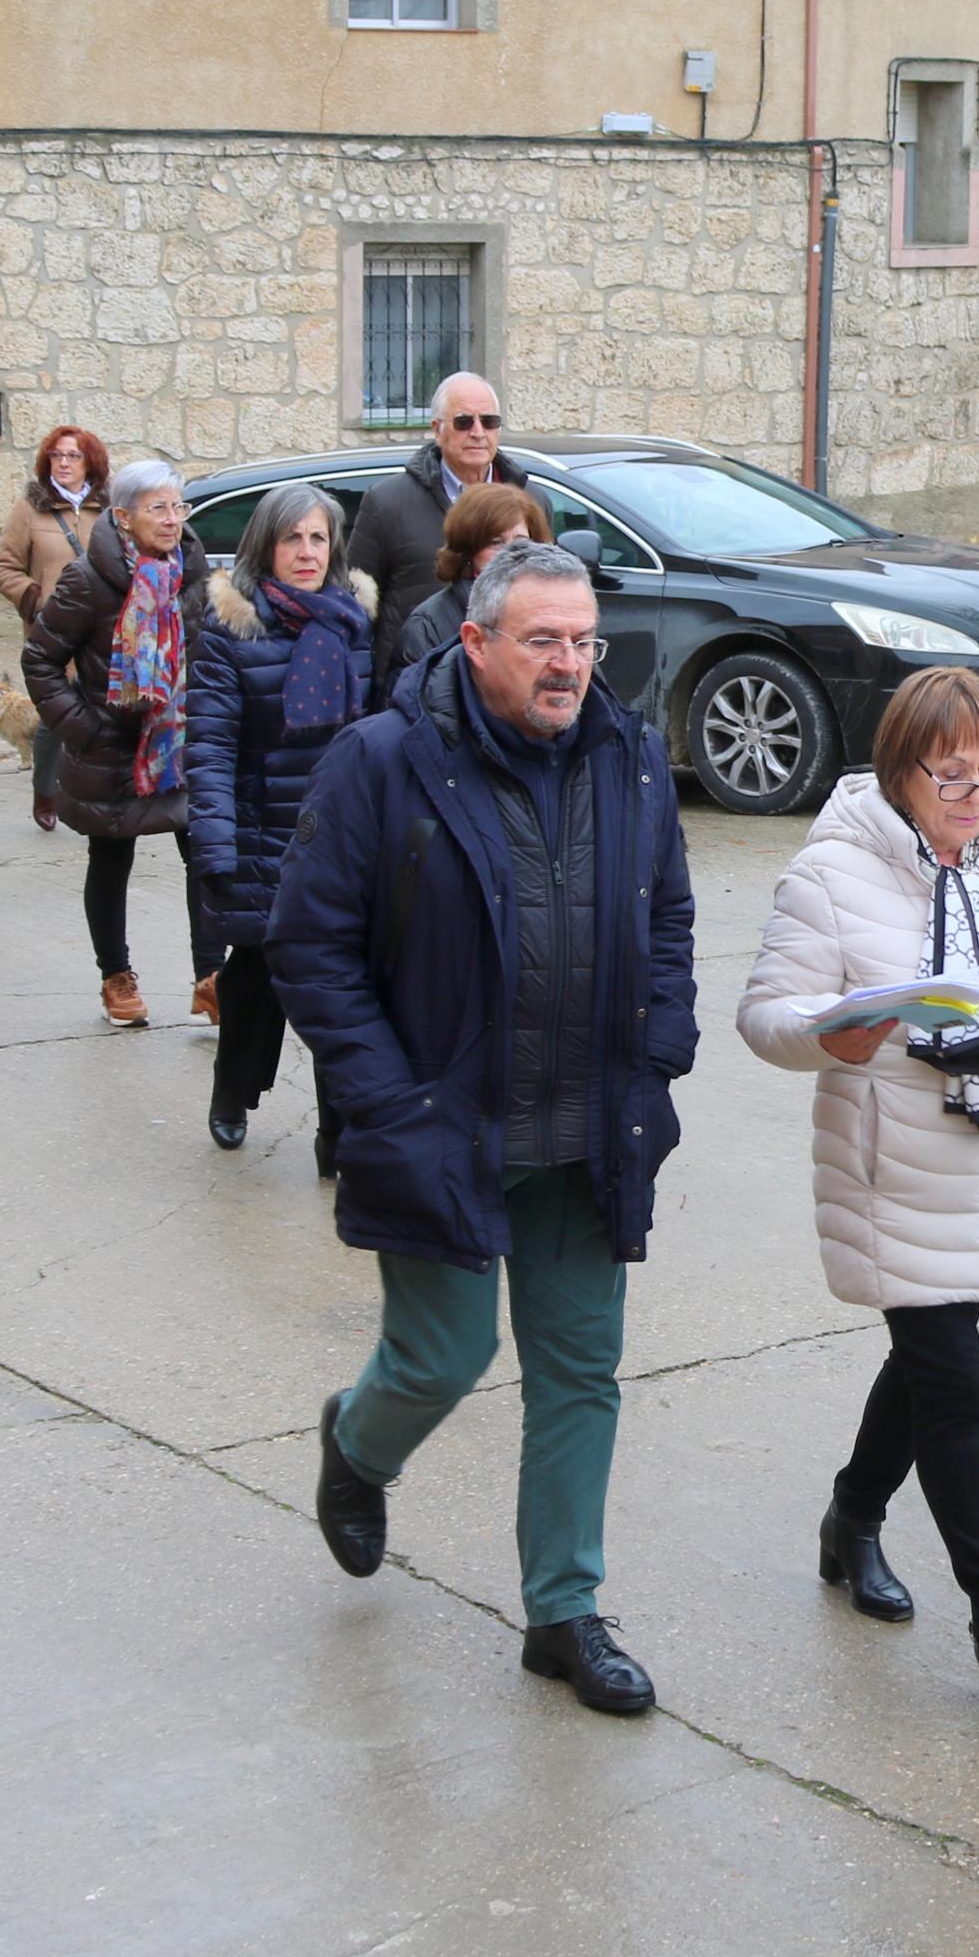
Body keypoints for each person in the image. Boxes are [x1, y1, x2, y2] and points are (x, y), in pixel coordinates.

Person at [273, 539, 699, 1719]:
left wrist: (660, 1045)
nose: (569, 664)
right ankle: (358, 1448)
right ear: (475, 643)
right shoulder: (384, 762)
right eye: (542, 641)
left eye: (583, 640)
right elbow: (308, 947)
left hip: (586, 1127)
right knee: (444, 1354)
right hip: (443, 1125)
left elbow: (666, 910)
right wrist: (390, 1102)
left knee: (580, 1370)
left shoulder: (629, 757)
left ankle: (563, 1611)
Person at [739, 667, 979, 1711]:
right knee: (951, 1381)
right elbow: (767, 1015)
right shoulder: (834, 870)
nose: (974, 798)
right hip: (893, 1156)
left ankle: (852, 1516)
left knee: (927, 1359)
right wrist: (828, 1031)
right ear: (903, 772)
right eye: (953, 777)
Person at [185, 482, 375, 1154]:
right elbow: (208, 744)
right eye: (291, 537)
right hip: (264, 831)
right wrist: (215, 848)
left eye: (317, 537)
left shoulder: (354, 620)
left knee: (342, 984)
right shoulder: (233, 629)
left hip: (343, 838)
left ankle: (337, 1131)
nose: (305, 551)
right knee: (258, 977)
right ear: (265, 545)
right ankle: (232, 1088)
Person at [24, 457, 221, 1028]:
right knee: (111, 858)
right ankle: (116, 978)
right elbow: (40, 660)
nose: (171, 520)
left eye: (178, 507)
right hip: (112, 746)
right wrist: (82, 727)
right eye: (157, 508)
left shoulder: (193, 574)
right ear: (122, 516)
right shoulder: (88, 580)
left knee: (204, 855)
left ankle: (210, 978)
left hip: (180, 742)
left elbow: (212, 654)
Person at [347, 371, 515, 683]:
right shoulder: (386, 503)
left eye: (489, 421)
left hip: (505, 683)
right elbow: (354, 610)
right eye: (464, 422)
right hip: (416, 685)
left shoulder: (529, 502)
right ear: (437, 430)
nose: (478, 432)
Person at [0, 424, 109, 833]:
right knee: (56, 718)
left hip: (101, 632)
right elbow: (4, 568)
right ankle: (45, 789)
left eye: (73, 456)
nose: (63, 463)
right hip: (53, 634)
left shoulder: (110, 508)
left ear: (89, 462)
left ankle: (92, 795)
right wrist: (35, 599)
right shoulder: (30, 508)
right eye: (56, 456)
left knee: (100, 714)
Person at [378, 483, 553, 710]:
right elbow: (409, 711)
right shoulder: (427, 625)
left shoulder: (555, 613)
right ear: (469, 551)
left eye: (521, 542)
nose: (511, 552)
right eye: (495, 542)